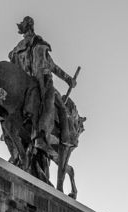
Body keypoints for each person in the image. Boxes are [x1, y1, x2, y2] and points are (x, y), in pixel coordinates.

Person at [8, 16, 77, 156]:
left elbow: (13, 67)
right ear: (32, 27)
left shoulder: (17, 49)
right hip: (42, 79)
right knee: (60, 107)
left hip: (24, 82)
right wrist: (69, 79)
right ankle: (59, 138)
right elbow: (52, 66)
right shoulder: (39, 43)